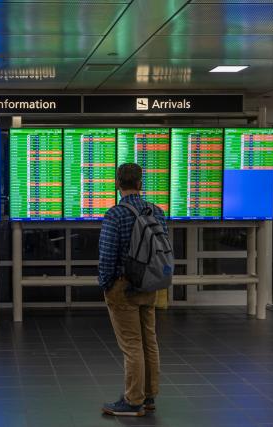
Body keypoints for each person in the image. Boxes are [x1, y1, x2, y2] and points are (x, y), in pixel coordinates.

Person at [98, 163, 168, 417]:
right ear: (140, 184)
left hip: (123, 287)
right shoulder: (157, 211)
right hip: (150, 285)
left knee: (131, 345)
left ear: (118, 185)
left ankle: (132, 401)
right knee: (149, 341)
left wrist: (106, 284)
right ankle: (149, 395)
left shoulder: (115, 215)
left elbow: (107, 256)